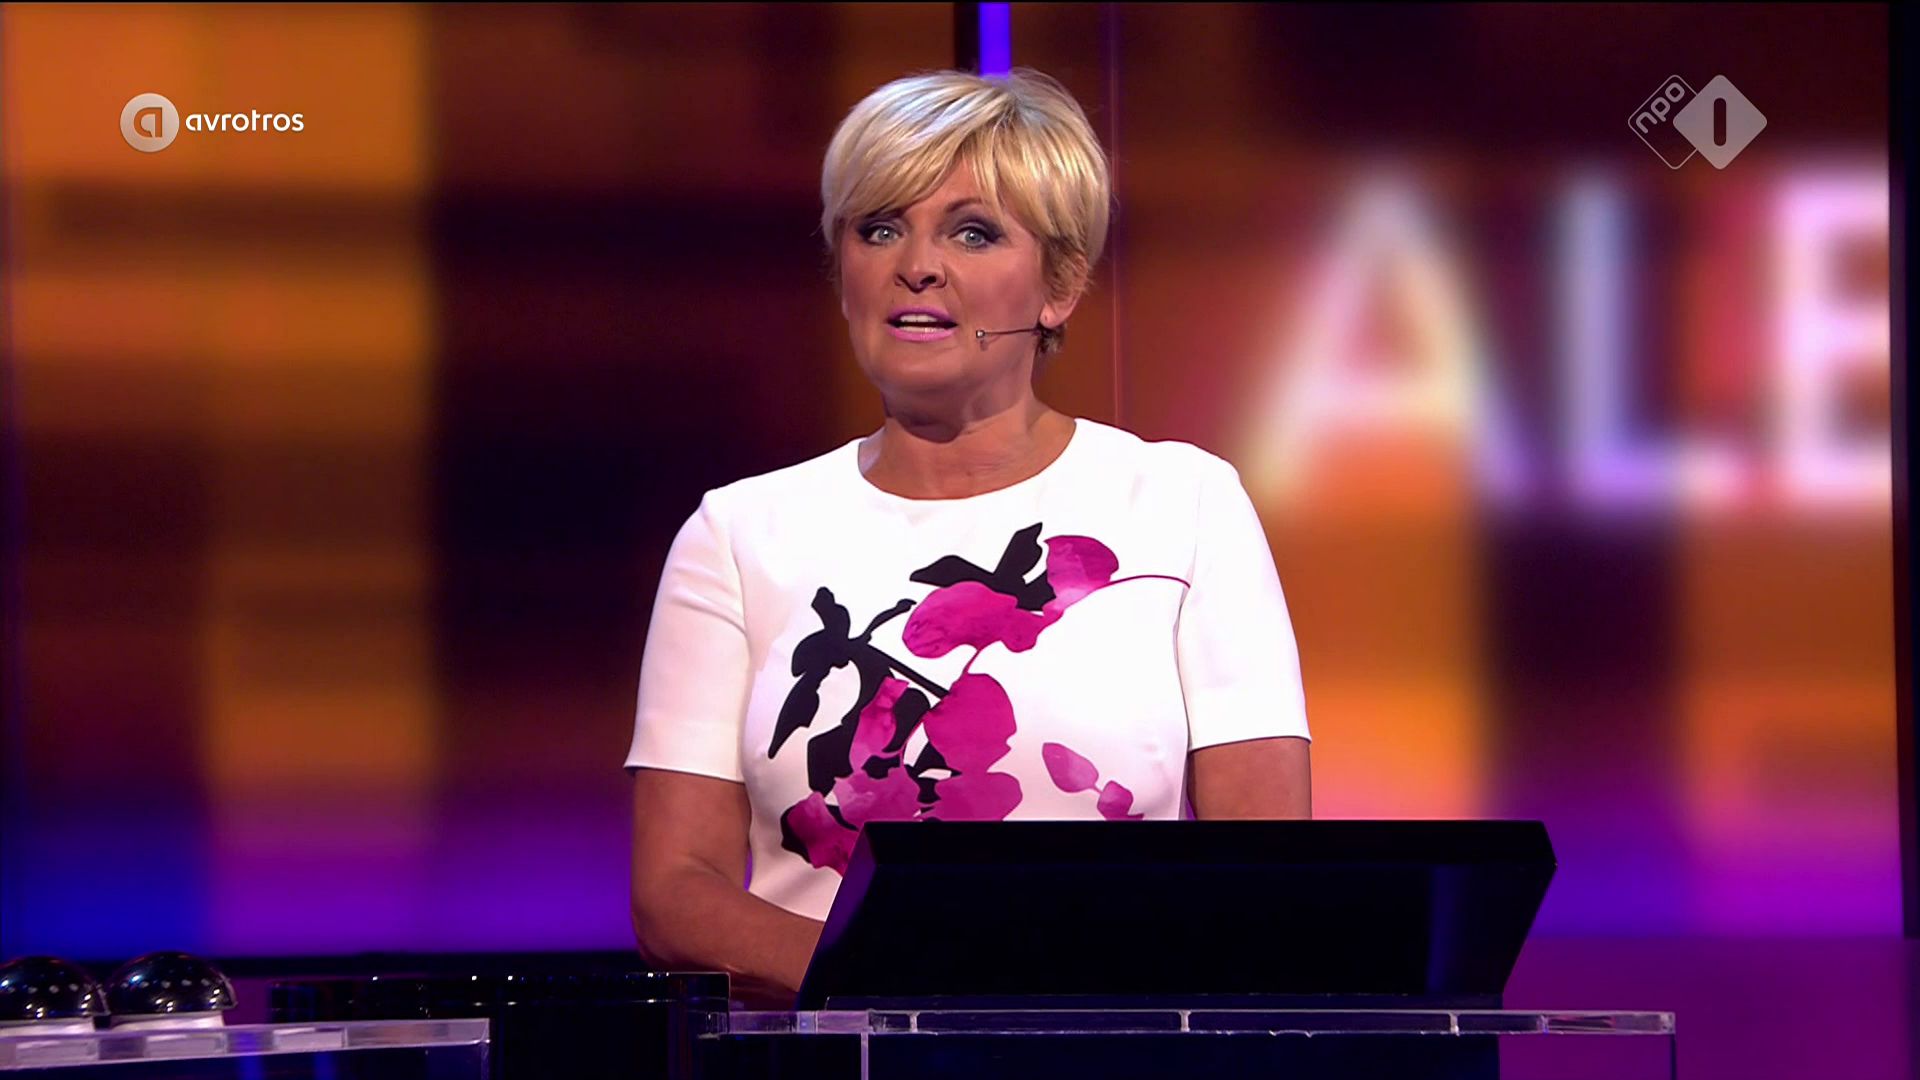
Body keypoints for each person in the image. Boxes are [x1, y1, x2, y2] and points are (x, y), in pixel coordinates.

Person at [626, 68, 1310, 1006]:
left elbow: (1266, 872)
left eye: (973, 232)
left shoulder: (1184, 503)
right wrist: (912, 984)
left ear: (1060, 287)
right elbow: (676, 893)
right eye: (878, 229)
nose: (916, 264)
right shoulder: (737, 533)